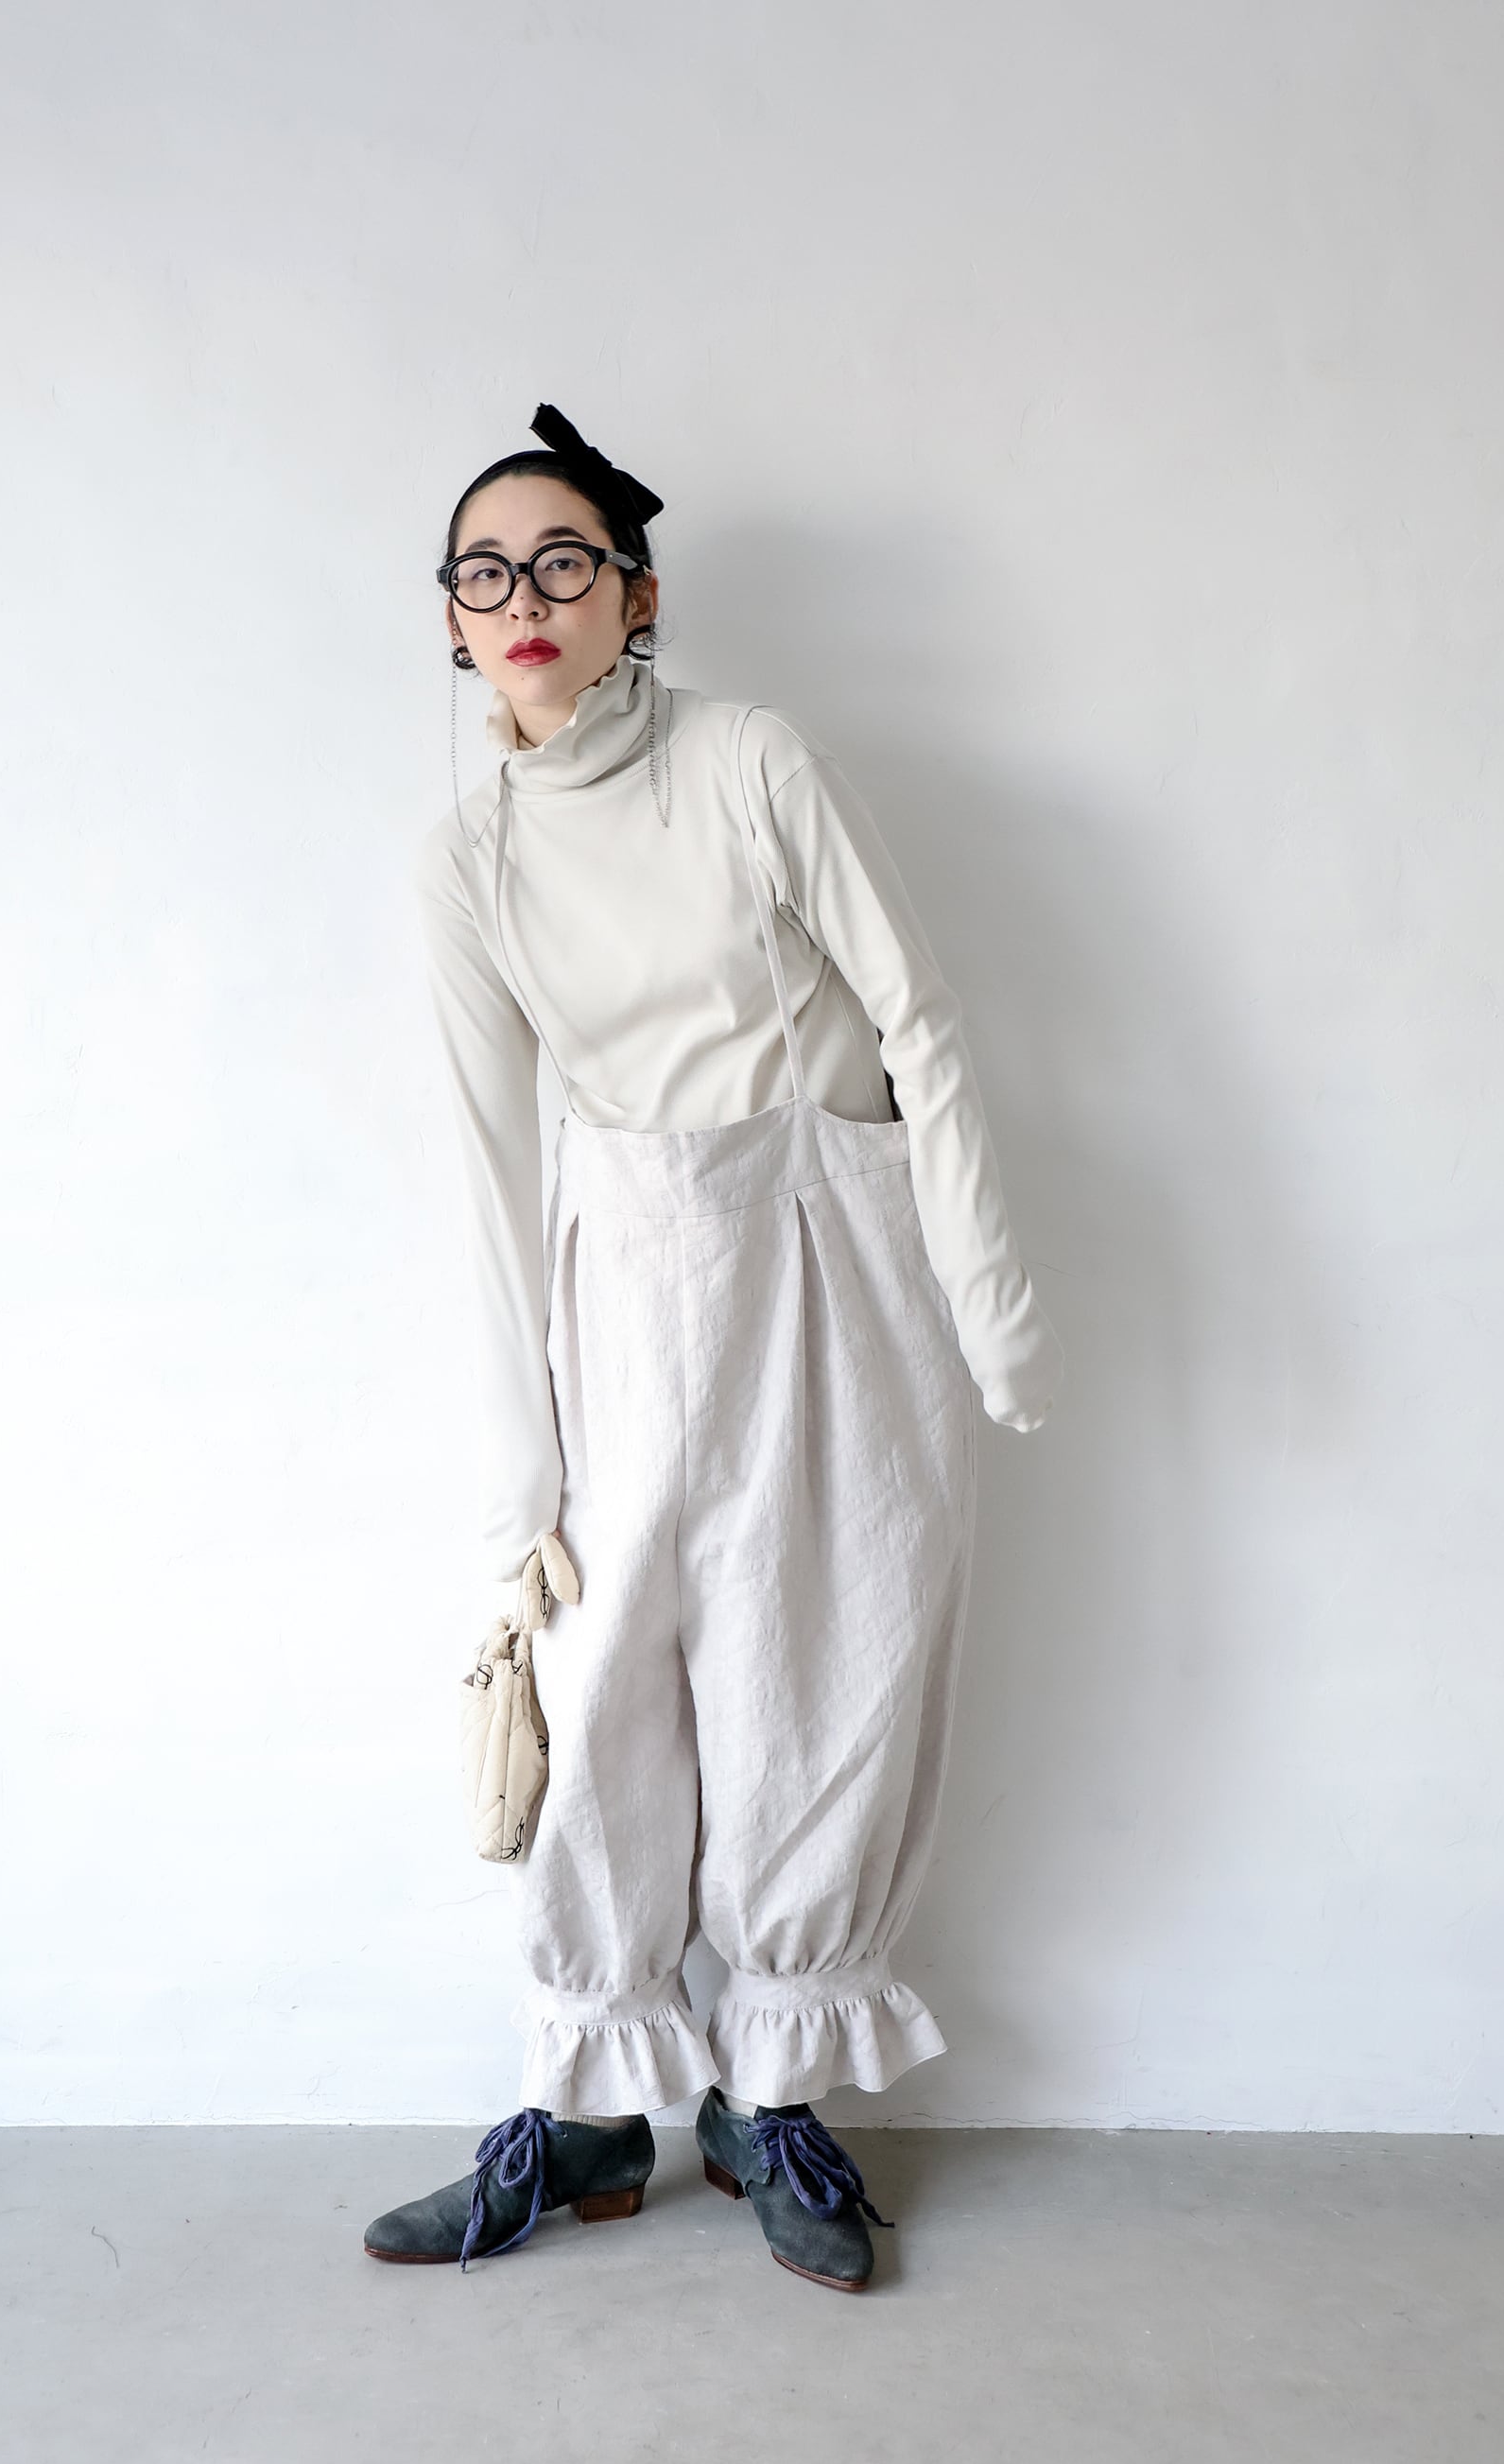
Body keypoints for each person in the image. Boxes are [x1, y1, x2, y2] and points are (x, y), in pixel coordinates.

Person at [363, 406, 1063, 2291]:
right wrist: (518, 1468)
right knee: (604, 1681)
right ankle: (590, 2109)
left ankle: (772, 2098)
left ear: (636, 595)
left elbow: (918, 1018)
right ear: (451, 622)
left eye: (564, 560)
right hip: (631, 1276)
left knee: (821, 1664)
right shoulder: (466, 861)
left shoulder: (751, 761)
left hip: (836, 1248)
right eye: (484, 572)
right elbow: (487, 1163)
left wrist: (988, 1296)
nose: (525, 595)